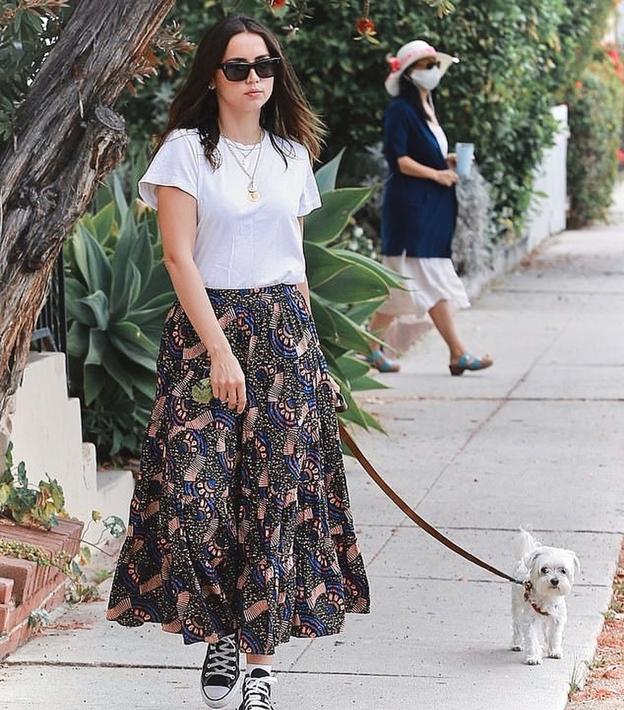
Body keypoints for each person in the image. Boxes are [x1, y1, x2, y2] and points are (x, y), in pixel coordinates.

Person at [105, 15, 370, 710]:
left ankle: (258, 666)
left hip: (286, 335)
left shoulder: (292, 155)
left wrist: (316, 359)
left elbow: (297, 266)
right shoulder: (184, 153)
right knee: (196, 502)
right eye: (238, 67)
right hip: (204, 338)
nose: (254, 78)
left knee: (273, 506)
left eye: (264, 66)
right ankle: (221, 629)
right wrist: (221, 350)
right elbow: (177, 257)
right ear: (212, 77)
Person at [367, 39, 493, 376]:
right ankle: (458, 352)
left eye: (434, 64)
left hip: (430, 207)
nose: (433, 71)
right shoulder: (400, 110)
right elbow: (399, 159)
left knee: (402, 282)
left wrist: (445, 160)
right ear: (409, 73)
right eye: (426, 66)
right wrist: (436, 173)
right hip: (411, 208)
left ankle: (371, 346)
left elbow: (420, 154)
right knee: (428, 277)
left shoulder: (428, 108)